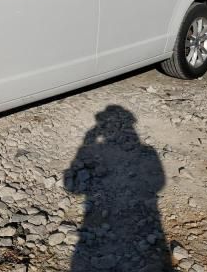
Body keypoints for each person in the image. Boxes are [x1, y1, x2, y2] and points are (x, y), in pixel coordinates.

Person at [66, 105, 172, 271]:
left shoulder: (145, 151)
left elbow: (72, 187)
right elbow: (159, 182)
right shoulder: (147, 151)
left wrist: (88, 142)